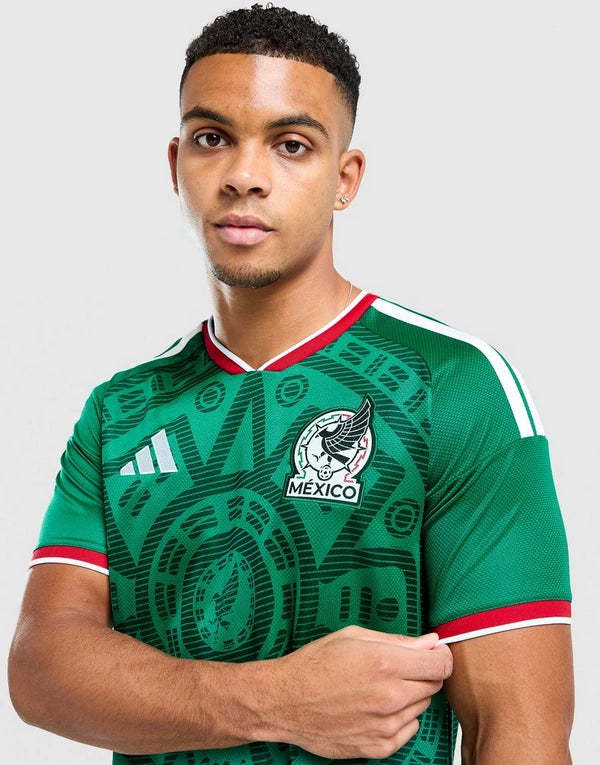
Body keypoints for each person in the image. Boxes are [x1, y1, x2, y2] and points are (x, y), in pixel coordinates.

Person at [8, 4, 573, 764]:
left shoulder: (452, 387)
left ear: (345, 178)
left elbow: (520, 731)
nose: (244, 177)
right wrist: (280, 700)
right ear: (176, 165)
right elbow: (43, 671)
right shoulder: (123, 411)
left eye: (291, 145)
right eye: (213, 138)